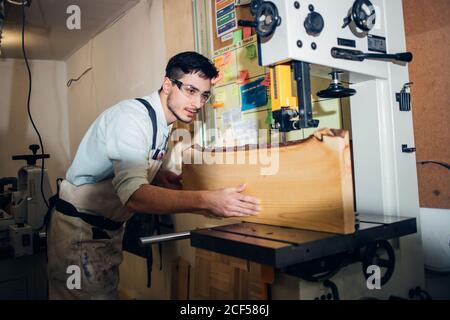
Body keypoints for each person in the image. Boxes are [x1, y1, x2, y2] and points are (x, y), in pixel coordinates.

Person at [46, 52, 262, 300]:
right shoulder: (131, 119)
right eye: (190, 90)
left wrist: (160, 177)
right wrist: (207, 200)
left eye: (204, 95)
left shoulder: (164, 124)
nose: (198, 103)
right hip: (79, 232)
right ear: (168, 84)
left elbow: (128, 168)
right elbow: (135, 196)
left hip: (107, 233)